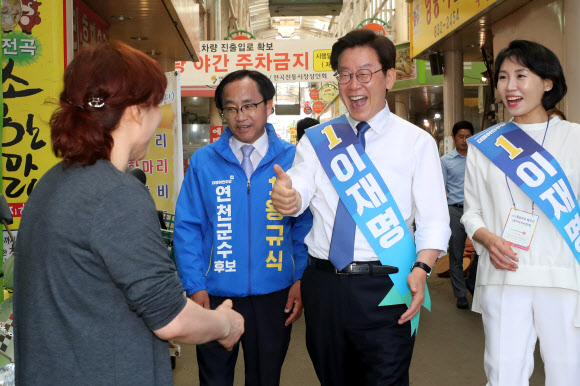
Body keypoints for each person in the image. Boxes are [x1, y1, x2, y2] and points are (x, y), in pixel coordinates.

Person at [13, 41, 244, 386]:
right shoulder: (115, 195)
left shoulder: (55, 181)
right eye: (157, 105)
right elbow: (171, 318)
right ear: (136, 111)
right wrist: (226, 325)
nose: (159, 117)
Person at [271, 29, 450, 385]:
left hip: (387, 285)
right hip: (323, 286)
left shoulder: (416, 142)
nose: (354, 85)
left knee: (387, 379)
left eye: (364, 73)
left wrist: (422, 269)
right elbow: (300, 187)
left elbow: (434, 220)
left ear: (389, 77)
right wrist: (289, 198)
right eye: (345, 74)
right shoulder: (318, 140)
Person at [173, 69, 312, 386]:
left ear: (269, 106)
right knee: (214, 379)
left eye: (249, 105)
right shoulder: (204, 161)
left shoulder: (295, 159)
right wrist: (195, 285)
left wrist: (300, 279)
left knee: (266, 378)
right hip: (214, 295)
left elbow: (306, 227)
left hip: (274, 293)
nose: (241, 116)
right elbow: (188, 227)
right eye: (231, 108)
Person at [461, 40, 580, 385]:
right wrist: (485, 237)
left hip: (563, 277)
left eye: (521, 75)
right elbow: (472, 212)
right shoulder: (484, 145)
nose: (510, 86)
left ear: (548, 82)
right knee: (503, 374)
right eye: (502, 77)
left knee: (567, 374)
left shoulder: (574, 138)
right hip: (503, 275)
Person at [440, 120, 475, 309]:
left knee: (482, 251)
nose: (464, 140)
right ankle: (460, 294)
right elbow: (439, 190)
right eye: (460, 136)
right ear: (453, 137)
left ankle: (472, 281)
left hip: (478, 210)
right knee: (456, 252)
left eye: (468, 137)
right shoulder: (445, 161)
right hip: (454, 209)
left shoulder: (479, 158)